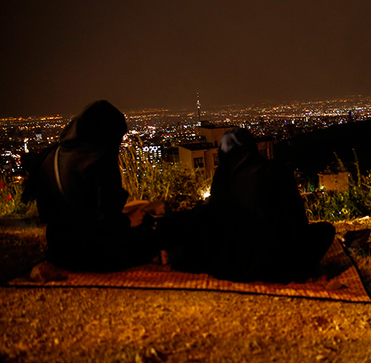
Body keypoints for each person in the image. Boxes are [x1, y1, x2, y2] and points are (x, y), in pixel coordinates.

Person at [183, 127, 334, 283]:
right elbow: (298, 219)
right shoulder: (277, 170)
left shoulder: (222, 176)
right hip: (278, 267)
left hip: (234, 267)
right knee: (325, 230)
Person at [22, 100, 158, 272]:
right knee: (160, 235)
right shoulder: (99, 161)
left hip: (59, 252)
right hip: (94, 255)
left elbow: (58, 213)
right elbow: (105, 223)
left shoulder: (50, 155)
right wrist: (129, 220)